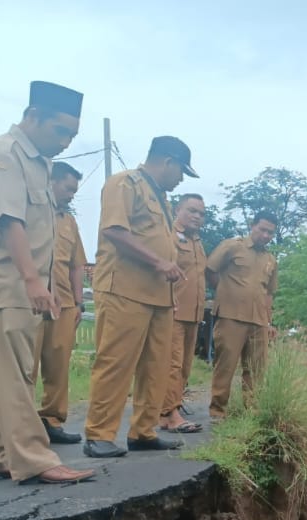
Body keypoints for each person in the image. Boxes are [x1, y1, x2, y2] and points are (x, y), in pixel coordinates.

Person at [0, 81, 94, 485]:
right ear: (32, 117)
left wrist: (44, 282)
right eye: (61, 131)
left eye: (73, 135)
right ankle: (34, 458)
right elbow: (8, 221)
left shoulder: (40, 163)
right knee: (14, 372)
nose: (67, 142)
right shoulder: (4, 154)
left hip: (18, 281)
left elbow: (41, 232)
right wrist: (33, 280)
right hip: (4, 282)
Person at [82, 136, 196, 458]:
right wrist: (160, 261)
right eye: (181, 172)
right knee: (115, 363)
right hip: (125, 291)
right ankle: (99, 435)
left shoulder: (161, 197)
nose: (181, 179)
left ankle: (143, 432)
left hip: (159, 296)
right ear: (168, 162)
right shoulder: (124, 184)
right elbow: (113, 231)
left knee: (156, 368)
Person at [32, 161, 87, 444]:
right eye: (68, 188)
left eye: (74, 190)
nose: (71, 195)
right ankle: (21, 425)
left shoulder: (69, 221)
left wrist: (79, 303)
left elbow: (78, 265)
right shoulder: (30, 211)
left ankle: (51, 420)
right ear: (51, 182)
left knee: (58, 367)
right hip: (30, 300)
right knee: (25, 366)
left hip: (63, 303)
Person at [205, 212, 278, 419]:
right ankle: (218, 412)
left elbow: (269, 293)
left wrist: (269, 322)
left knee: (256, 369)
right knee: (225, 366)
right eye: (262, 229)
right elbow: (210, 269)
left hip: (259, 321)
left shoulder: (270, 259)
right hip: (231, 317)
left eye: (270, 232)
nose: (265, 235)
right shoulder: (232, 246)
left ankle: (252, 412)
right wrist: (223, 292)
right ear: (252, 225)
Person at [159, 194, 207, 433]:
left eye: (201, 213)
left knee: (185, 366)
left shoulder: (197, 241)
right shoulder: (168, 235)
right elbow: (160, 268)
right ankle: (172, 413)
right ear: (178, 209)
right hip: (174, 312)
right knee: (172, 365)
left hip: (194, 314)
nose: (197, 216)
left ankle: (166, 415)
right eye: (192, 210)